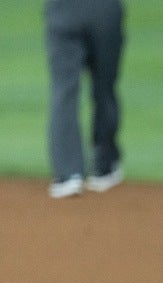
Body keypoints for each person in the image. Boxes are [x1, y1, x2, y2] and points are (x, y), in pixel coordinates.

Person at [44, 0, 125, 198]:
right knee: (104, 88)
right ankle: (104, 166)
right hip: (105, 10)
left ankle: (68, 174)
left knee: (64, 92)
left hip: (62, 11)